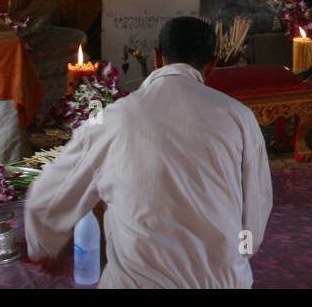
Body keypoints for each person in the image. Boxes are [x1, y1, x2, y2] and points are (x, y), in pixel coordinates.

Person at [24, 16, 273, 288]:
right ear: (212, 65)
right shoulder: (239, 117)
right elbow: (257, 203)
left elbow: (49, 196)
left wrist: (45, 246)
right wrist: (237, 255)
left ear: (156, 56)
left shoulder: (114, 118)